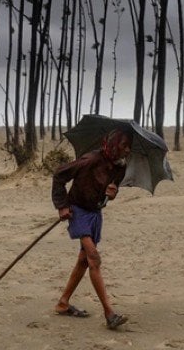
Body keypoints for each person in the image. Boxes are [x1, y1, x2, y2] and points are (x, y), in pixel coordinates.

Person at [51, 128, 132, 330]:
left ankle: (63, 303)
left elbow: (106, 195)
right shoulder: (89, 160)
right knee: (94, 258)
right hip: (77, 211)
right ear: (113, 144)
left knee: (84, 260)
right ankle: (109, 314)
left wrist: (111, 194)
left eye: (129, 146)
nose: (127, 150)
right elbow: (59, 175)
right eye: (124, 145)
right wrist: (62, 206)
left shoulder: (120, 167)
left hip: (95, 214)